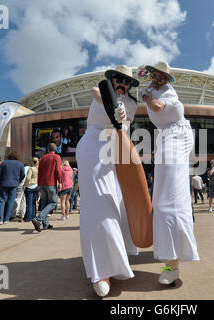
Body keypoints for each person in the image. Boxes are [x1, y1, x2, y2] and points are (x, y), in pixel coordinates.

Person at [75, 65, 140, 297]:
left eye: (127, 81)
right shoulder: (99, 90)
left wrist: (123, 116)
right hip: (92, 145)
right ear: (111, 79)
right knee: (98, 205)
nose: (122, 83)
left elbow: (125, 126)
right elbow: (98, 95)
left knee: (117, 203)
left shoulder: (132, 103)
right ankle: (101, 270)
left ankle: (116, 260)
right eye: (118, 79)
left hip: (115, 151)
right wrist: (115, 108)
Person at [142, 61, 199, 287]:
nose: (159, 78)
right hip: (166, 136)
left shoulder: (168, 93)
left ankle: (173, 265)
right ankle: (170, 259)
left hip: (177, 135)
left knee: (169, 199)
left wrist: (146, 97)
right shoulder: (153, 88)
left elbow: (156, 107)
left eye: (162, 75)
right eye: (156, 74)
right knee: (162, 197)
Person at [32, 143, 62, 232]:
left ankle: (46, 224)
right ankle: (38, 219)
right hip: (51, 183)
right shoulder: (56, 157)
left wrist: (39, 184)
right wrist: (60, 182)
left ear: (48, 149)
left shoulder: (42, 158)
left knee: (44, 203)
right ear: (55, 149)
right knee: (53, 202)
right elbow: (58, 170)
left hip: (43, 183)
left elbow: (39, 172)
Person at [0, 153, 25, 224]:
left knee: (1, 200)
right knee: (11, 201)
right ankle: (6, 219)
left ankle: (0, 219)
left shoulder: (4, 163)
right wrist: (18, 180)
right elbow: (22, 175)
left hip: (3, 183)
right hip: (14, 184)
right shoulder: (20, 164)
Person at [24, 157, 39, 222]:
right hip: (36, 186)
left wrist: (25, 185)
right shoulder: (38, 168)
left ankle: (28, 217)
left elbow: (28, 178)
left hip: (30, 186)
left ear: (32, 162)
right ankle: (33, 216)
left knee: (29, 203)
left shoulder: (31, 168)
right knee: (33, 203)